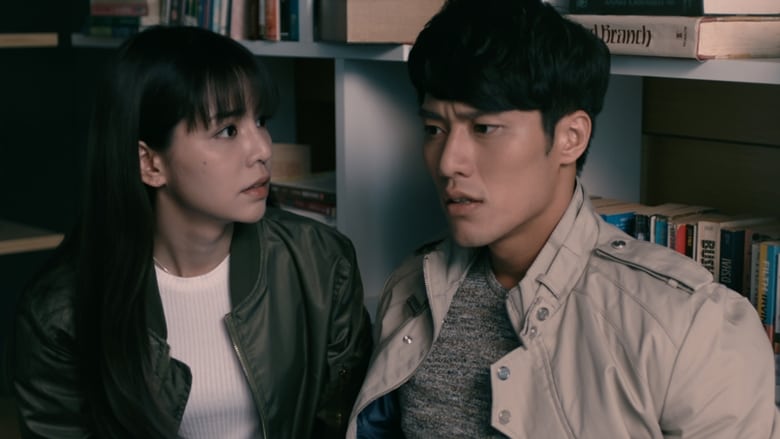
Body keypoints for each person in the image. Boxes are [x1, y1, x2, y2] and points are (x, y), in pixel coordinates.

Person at [347, 0, 780, 437]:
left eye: (484, 128)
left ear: (570, 138)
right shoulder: (411, 287)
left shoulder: (691, 328)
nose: (448, 163)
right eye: (434, 129)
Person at [9, 25, 372, 439]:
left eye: (260, 121)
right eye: (227, 130)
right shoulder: (61, 313)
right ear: (150, 163)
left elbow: (348, 424)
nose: (262, 149)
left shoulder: (320, 263)